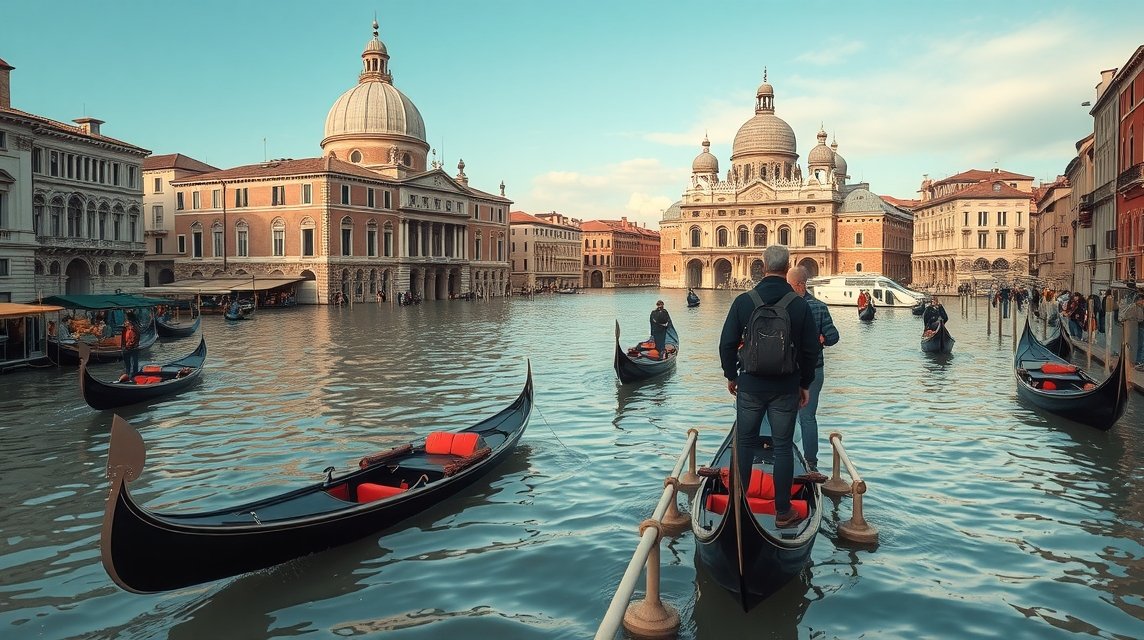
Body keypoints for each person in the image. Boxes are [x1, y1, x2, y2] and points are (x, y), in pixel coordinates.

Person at [719, 245, 821, 528]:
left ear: (762, 266)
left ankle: (737, 506)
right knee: (783, 448)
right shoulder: (798, 304)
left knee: (745, 444)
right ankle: (782, 512)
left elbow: (726, 344)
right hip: (785, 387)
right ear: (787, 267)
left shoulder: (743, 301)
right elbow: (811, 351)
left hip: (750, 385)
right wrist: (804, 384)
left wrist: (732, 376)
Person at [786, 265, 838, 478]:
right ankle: (810, 463)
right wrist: (823, 339)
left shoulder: (784, 308)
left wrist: (822, 339)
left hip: (790, 371)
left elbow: (833, 336)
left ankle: (794, 459)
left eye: (789, 285)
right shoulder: (818, 307)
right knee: (807, 417)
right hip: (813, 369)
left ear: (799, 284)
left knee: (795, 417)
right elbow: (833, 336)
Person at [121, 311, 140, 376]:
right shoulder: (127, 328)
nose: (125, 320)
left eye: (126, 319)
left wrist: (127, 346)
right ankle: (129, 375)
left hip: (131, 348)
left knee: (132, 365)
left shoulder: (133, 328)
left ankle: (132, 376)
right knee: (129, 366)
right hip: (128, 348)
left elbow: (133, 339)